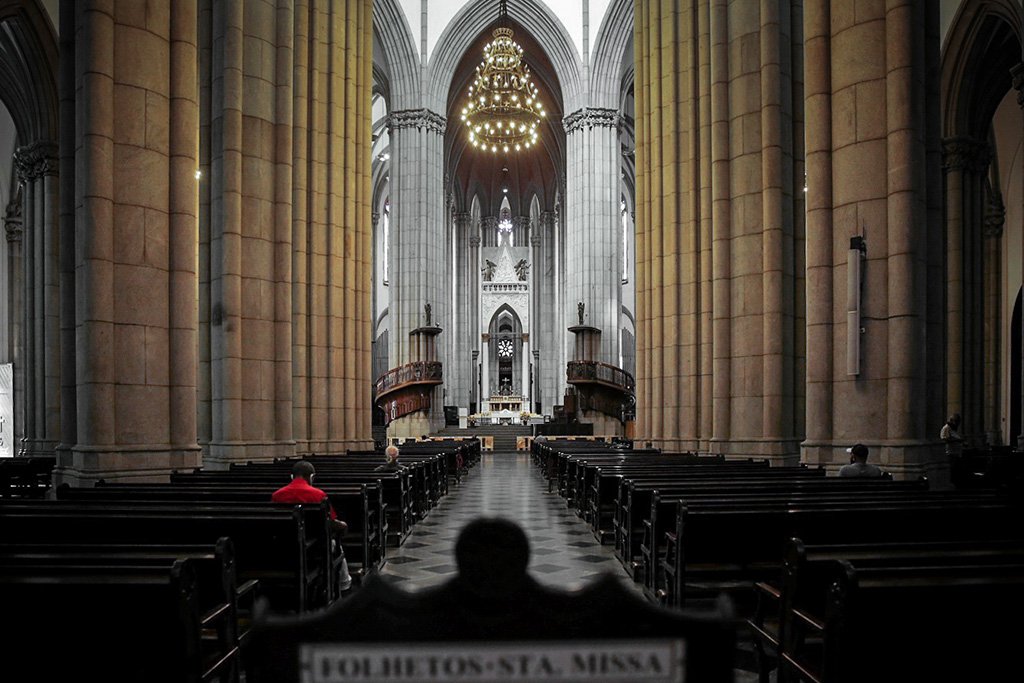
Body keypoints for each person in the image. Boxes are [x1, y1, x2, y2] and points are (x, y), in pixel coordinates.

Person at [272, 460, 352, 593]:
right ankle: (344, 584)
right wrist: (343, 525)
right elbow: (331, 522)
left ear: (292, 477)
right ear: (311, 477)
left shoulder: (277, 495)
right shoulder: (318, 495)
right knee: (336, 546)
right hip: (314, 546)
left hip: (283, 545)